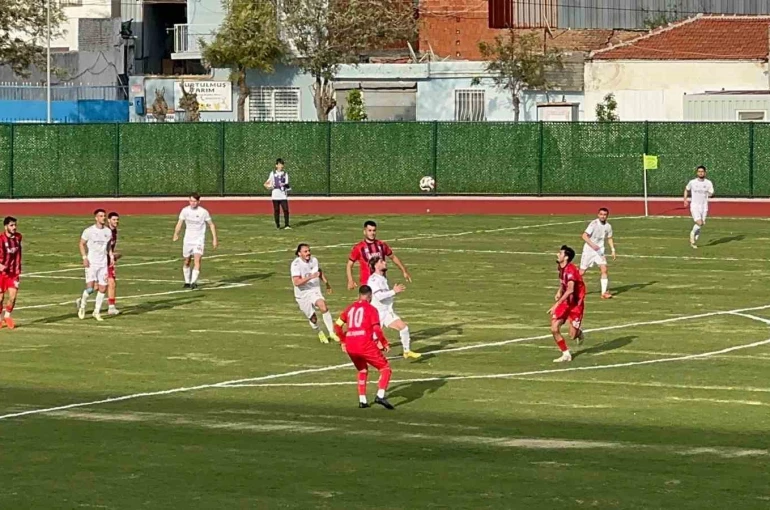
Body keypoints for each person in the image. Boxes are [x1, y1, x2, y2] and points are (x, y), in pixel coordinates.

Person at [334, 285, 394, 409]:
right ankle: (380, 396)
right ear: (370, 296)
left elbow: (337, 326)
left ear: (359, 295)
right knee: (385, 368)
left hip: (351, 344)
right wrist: (384, 342)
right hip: (364, 344)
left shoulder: (350, 308)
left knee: (362, 370)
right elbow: (376, 329)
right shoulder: (371, 309)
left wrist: (343, 341)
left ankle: (362, 400)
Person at [367, 255, 421, 359]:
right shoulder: (373, 280)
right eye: (382, 261)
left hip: (386, 312)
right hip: (376, 314)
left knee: (404, 327)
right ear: (376, 265)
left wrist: (392, 292)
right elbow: (378, 296)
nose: (385, 263)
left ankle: (407, 351)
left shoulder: (382, 278)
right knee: (372, 341)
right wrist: (393, 291)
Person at [290, 243, 339, 344]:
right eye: (305, 251)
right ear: (299, 253)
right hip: (302, 294)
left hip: (313, 289)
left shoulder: (314, 260)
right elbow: (296, 282)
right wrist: (310, 277)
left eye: (309, 251)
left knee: (323, 306)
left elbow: (319, 271)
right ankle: (319, 332)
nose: (308, 253)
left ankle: (331, 332)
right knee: (313, 318)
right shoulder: (295, 264)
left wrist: (327, 283)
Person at [548, 245, 586, 363]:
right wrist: (559, 291)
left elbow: (570, 290)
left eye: (560, 253)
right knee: (554, 328)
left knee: (572, 335)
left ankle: (579, 333)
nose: (557, 254)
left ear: (566, 257)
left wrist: (556, 305)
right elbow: (562, 282)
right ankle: (566, 354)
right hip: (565, 302)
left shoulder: (571, 270)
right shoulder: (560, 266)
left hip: (576, 304)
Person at [346, 220, 411, 290]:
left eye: (374, 230)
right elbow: (349, 264)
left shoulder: (381, 245)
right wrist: (350, 280)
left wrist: (404, 271)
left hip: (382, 282)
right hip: (367, 284)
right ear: (364, 232)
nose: (372, 233)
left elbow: (393, 257)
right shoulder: (359, 247)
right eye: (369, 230)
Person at [173, 193, 218, 290]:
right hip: (188, 239)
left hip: (199, 239)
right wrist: (176, 234)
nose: (192, 203)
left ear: (198, 201)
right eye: (191, 201)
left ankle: (193, 282)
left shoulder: (203, 212)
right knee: (187, 261)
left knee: (197, 260)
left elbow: (211, 225)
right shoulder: (185, 210)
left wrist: (214, 239)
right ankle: (187, 282)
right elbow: (179, 223)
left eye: (194, 201)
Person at [77, 209, 113, 321]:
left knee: (103, 288)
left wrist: (110, 256)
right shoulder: (88, 231)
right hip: (92, 263)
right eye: (101, 216)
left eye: (104, 216)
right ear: (96, 218)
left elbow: (108, 246)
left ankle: (96, 312)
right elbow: (81, 244)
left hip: (103, 263)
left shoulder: (108, 231)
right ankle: (82, 306)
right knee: (90, 289)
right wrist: (84, 258)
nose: (103, 218)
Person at [579, 207, 616, 299]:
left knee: (604, 269)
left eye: (605, 215)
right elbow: (584, 236)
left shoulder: (608, 226)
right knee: (582, 272)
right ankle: (568, 287)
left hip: (599, 251)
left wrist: (613, 250)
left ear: (607, 216)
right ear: (598, 215)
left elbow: (610, 238)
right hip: (589, 250)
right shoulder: (593, 224)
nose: (603, 216)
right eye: (601, 214)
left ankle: (603, 293)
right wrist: (592, 244)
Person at [684, 165, 714, 249]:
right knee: (699, 222)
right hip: (695, 205)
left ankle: (697, 231)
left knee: (702, 223)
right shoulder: (692, 182)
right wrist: (685, 200)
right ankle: (692, 234)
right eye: (699, 171)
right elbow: (686, 189)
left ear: (705, 173)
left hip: (704, 206)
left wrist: (710, 194)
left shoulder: (708, 183)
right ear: (697, 173)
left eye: (702, 171)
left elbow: (711, 193)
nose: (701, 173)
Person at [0, 216, 22, 329]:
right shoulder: (0, 240)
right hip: (1, 274)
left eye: (15, 225)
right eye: (11, 225)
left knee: (13, 296)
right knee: (0, 298)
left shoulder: (18, 237)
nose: (14, 227)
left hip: (14, 273)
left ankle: (7, 316)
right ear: (6, 227)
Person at [264, 158, 291, 230]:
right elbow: (266, 184)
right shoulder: (272, 173)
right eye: (279, 164)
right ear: (276, 165)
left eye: (282, 164)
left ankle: (287, 225)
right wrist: (270, 187)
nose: (281, 166)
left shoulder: (285, 174)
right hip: (275, 195)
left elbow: (287, 184)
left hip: (283, 195)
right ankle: (278, 225)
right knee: (276, 210)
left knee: (285, 210)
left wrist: (285, 185)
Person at [106, 212, 121, 315]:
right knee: (98, 286)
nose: (116, 222)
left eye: (117, 220)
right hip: (101, 261)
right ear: (109, 220)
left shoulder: (114, 231)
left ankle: (111, 307)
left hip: (108, 261)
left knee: (111, 283)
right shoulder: (106, 232)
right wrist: (112, 255)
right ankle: (83, 298)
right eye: (114, 220)